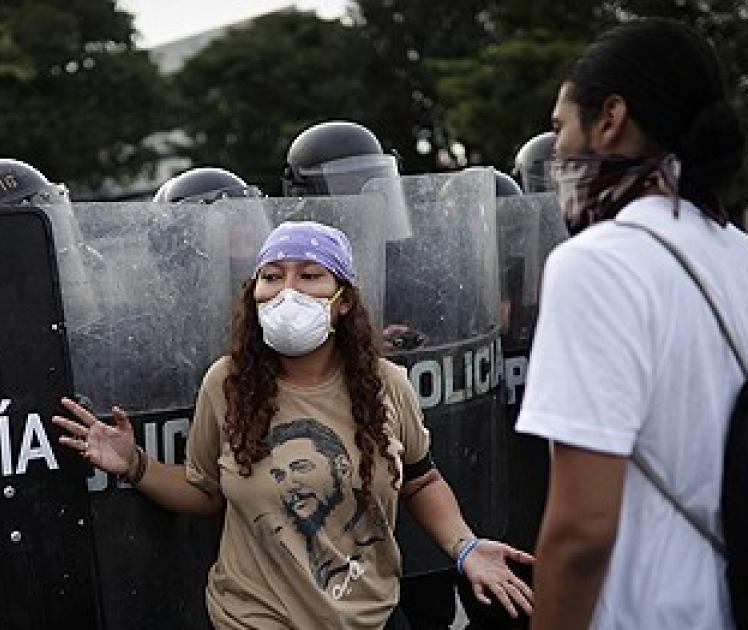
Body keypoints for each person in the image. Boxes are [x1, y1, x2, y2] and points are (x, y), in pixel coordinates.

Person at [53, 220, 534, 629]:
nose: (287, 291)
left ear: (343, 300)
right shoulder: (226, 384)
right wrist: (134, 464)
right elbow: (204, 491)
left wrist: (465, 546)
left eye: (309, 276)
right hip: (253, 618)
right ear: (254, 294)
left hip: (370, 616)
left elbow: (420, 478)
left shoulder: (388, 385)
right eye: (271, 277)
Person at [515, 18, 748, 629]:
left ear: (610, 119)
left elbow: (582, 532)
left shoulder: (594, 264)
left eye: (561, 124)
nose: (557, 148)